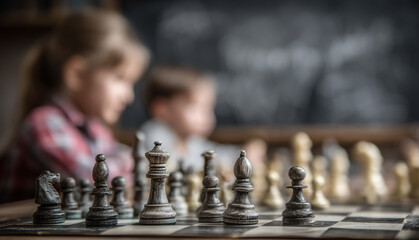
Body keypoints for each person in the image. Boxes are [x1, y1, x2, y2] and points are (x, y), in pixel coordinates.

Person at [0, 10, 149, 202]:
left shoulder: (96, 129)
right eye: (120, 79)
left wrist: (133, 164)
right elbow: (94, 184)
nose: (129, 96)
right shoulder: (45, 123)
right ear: (76, 74)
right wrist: (136, 163)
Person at [140, 66, 265, 173]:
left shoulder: (191, 141)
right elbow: (179, 168)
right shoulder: (156, 135)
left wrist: (242, 155)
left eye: (209, 108)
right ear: (163, 109)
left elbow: (214, 155)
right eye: (196, 107)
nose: (208, 116)